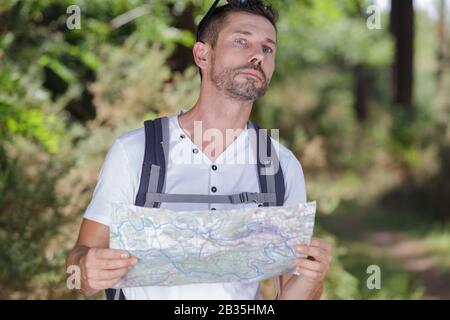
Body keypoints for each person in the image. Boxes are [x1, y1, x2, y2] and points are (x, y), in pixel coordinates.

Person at [66, 0, 332, 300]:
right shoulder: (135, 151)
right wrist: (85, 269)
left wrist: (313, 277)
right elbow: (79, 271)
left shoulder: (281, 166)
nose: (257, 55)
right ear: (202, 55)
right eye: (241, 41)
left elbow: (291, 294)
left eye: (267, 49)